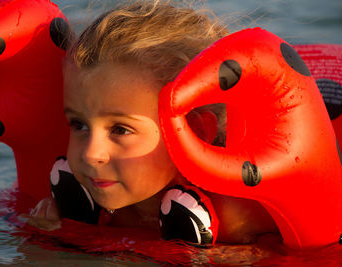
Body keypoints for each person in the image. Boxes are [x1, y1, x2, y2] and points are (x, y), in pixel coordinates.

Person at [25, 0, 280, 245]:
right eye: (79, 125)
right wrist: (52, 234)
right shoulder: (79, 201)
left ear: (195, 132)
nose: (92, 154)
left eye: (120, 129)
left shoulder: (236, 220)